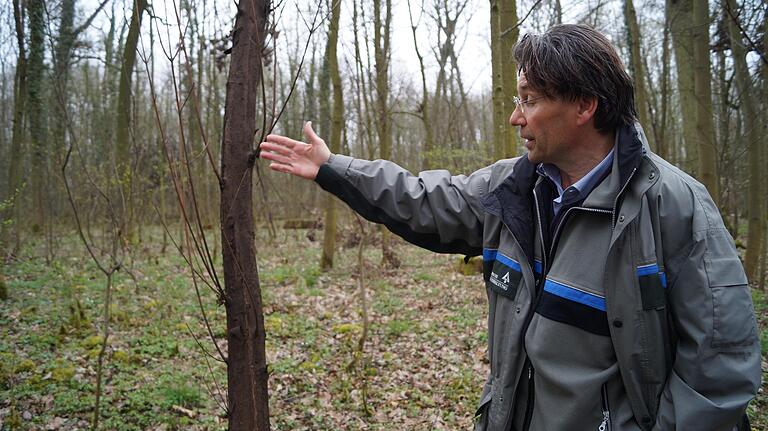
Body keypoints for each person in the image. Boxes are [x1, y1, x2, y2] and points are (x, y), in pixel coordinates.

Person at [259, 24, 760, 431]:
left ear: (585, 106)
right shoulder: (511, 191)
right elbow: (421, 198)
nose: (515, 117)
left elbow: (719, 366)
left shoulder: (673, 205)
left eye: (531, 99)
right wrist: (333, 168)